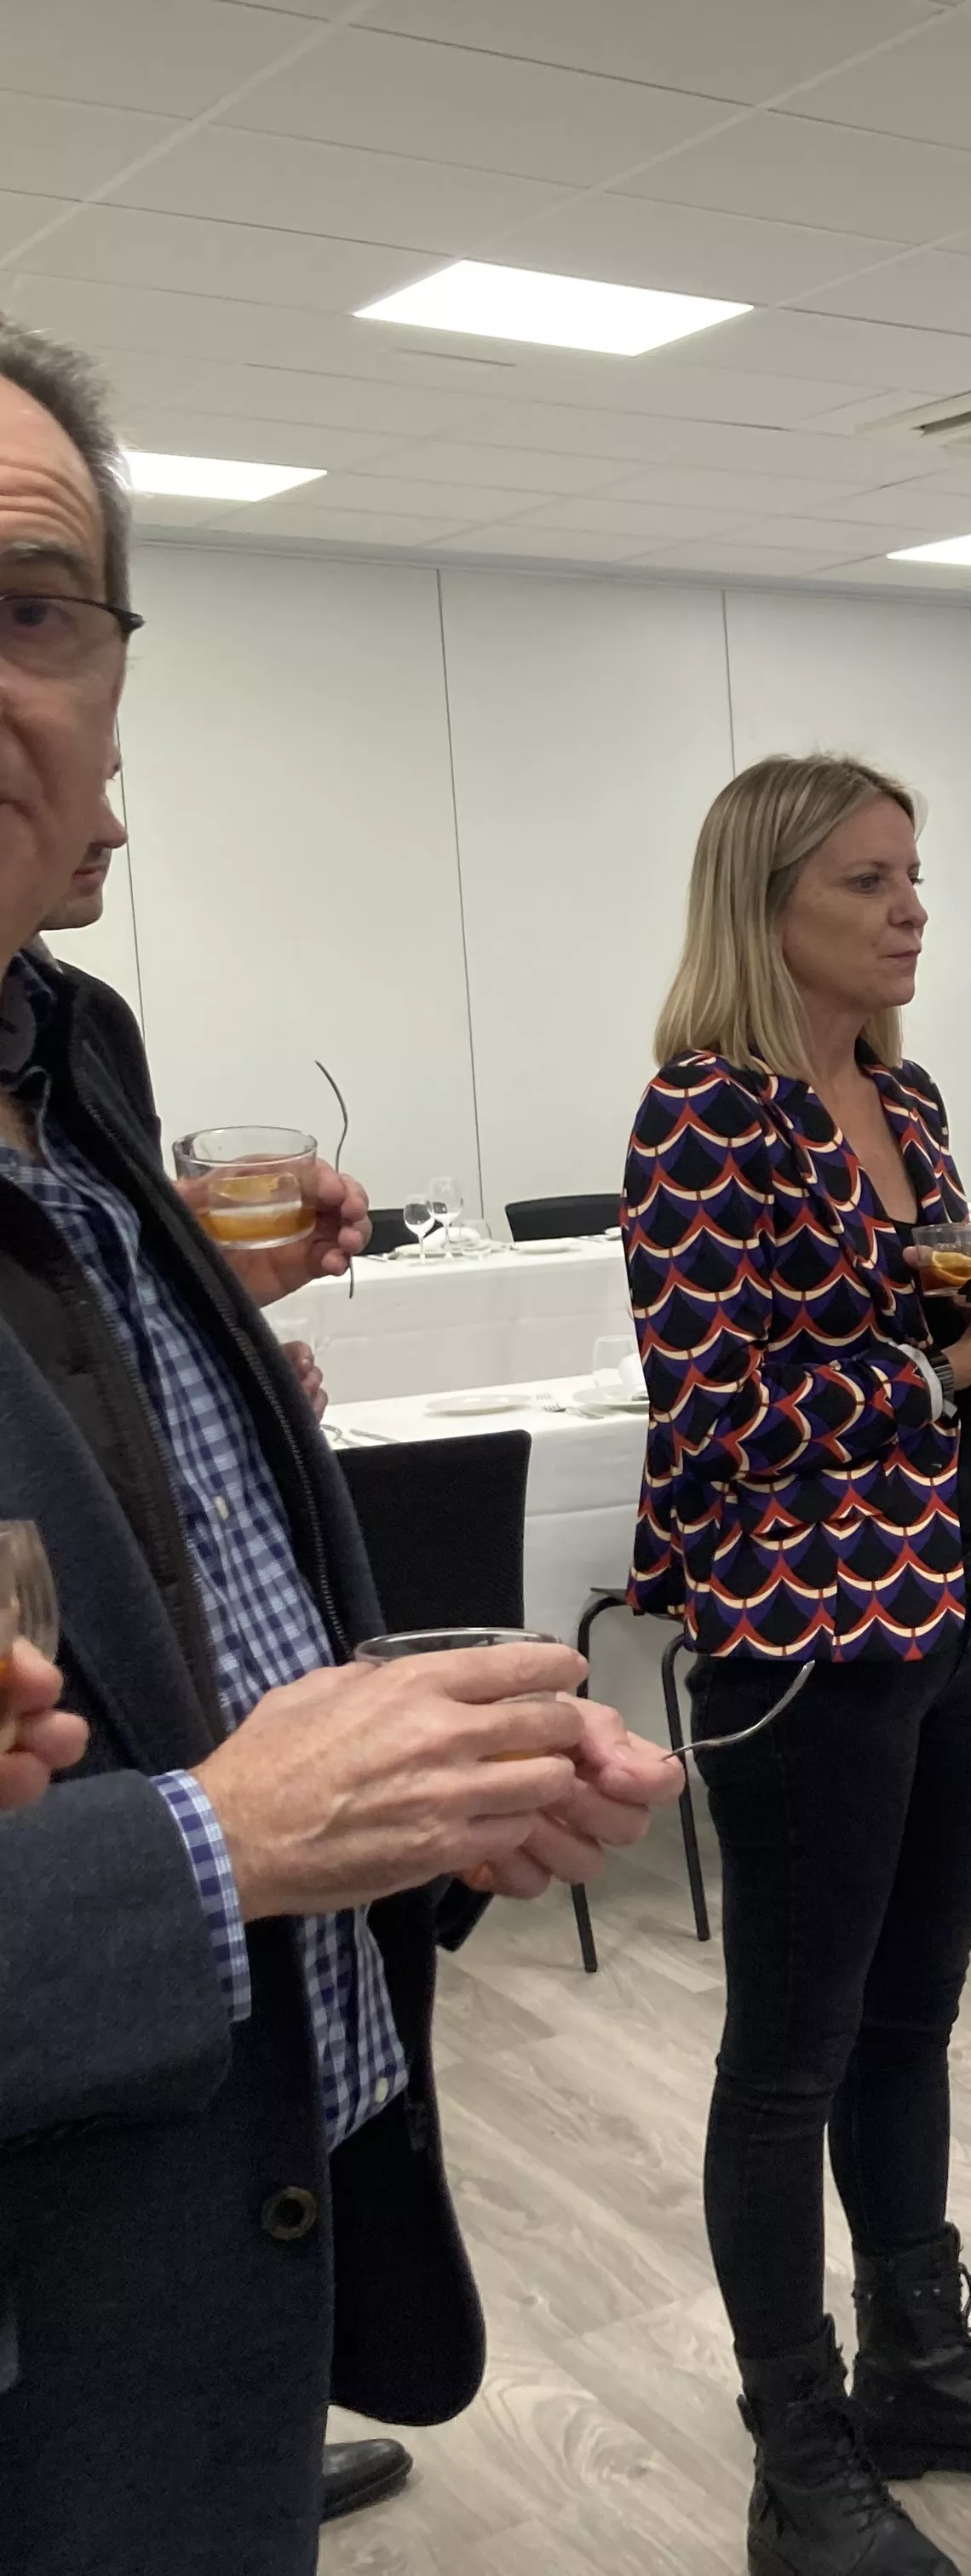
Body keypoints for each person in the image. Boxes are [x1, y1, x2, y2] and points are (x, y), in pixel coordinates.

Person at [0, 312, 681, 2576]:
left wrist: (398, 1801)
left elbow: (174, 1637)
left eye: (25, 612)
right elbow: (188, 1805)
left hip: (204, 2275)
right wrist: (217, 1847)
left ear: (111, 674)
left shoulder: (80, 1088)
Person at [626, 753, 971, 2576]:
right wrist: (951, 1362)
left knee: (912, 2017)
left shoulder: (901, 1096)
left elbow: (923, 1298)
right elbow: (720, 1411)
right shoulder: (701, 1116)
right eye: (868, 882)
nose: (912, 909)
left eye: (914, 876)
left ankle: (921, 2357)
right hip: (796, 1628)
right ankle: (798, 2450)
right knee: (789, 2055)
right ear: (770, 910)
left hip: (950, 1584)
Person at [36, 819, 410, 2528]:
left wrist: (182, 1297)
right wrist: (221, 1840)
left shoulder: (73, 1042)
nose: (111, 806)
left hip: (227, 2163)